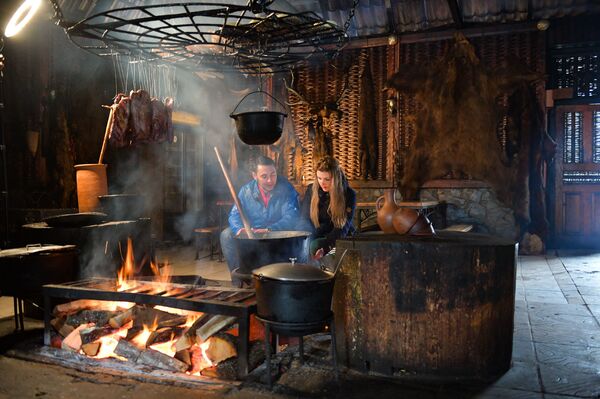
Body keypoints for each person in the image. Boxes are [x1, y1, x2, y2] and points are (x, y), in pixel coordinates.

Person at [220, 155, 301, 280]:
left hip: (278, 235)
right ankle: (240, 279)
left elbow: (292, 215)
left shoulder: (286, 188)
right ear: (254, 175)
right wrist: (239, 229)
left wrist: (270, 230)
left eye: (273, 174)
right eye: (264, 176)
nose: (270, 180)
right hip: (254, 232)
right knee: (226, 235)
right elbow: (234, 215)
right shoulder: (246, 191)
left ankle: (282, 280)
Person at [301, 156, 356, 260]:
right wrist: (303, 240)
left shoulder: (348, 194)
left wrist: (325, 247)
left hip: (339, 238)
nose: (322, 183)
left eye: (327, 179)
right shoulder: (311, 190)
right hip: (317, 234)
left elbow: (341, 229)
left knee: (315, 246)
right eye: (319, 178)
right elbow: (304, 219)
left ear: (336, 178)